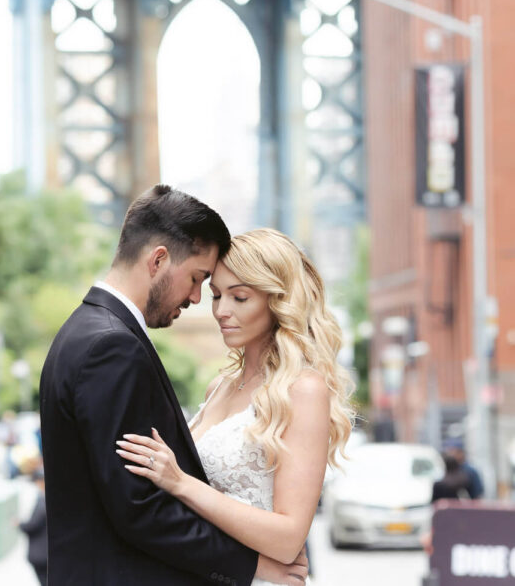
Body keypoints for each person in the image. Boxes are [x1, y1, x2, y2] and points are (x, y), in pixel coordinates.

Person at [40, 185, 308, 586]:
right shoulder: (111, 347)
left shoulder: (83, 331)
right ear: (159, 260)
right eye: (199, 280)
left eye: (234, 295)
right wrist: (251, 566)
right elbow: (140, 507)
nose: (201, 301)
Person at [117, 228, 353, 584]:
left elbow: (289, 539)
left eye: (240, 297)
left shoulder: (302, 390)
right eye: (216, 296)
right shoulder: (219, 386)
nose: (221, 311)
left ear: (278, 300)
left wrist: (180, 482)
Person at [20, 466, 47, 585]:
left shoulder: (43, 501)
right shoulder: (43, 499)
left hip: (42, 553)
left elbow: (32, 525)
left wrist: (20, 524)